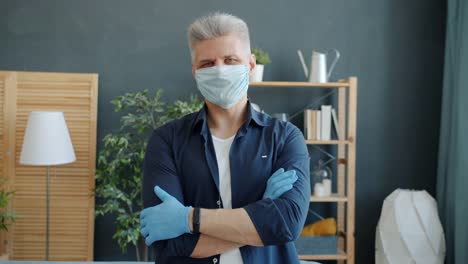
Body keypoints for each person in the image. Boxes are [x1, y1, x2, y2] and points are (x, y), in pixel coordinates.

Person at [140, 12, 311, 264]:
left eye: (230, 60)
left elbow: (286, 224)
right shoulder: (166, 141)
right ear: (194, 72)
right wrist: (262, 211)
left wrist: (189, 219)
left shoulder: (285, 138)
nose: (220, 71)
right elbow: (171, 244)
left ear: (250, 66)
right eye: (208, 64)